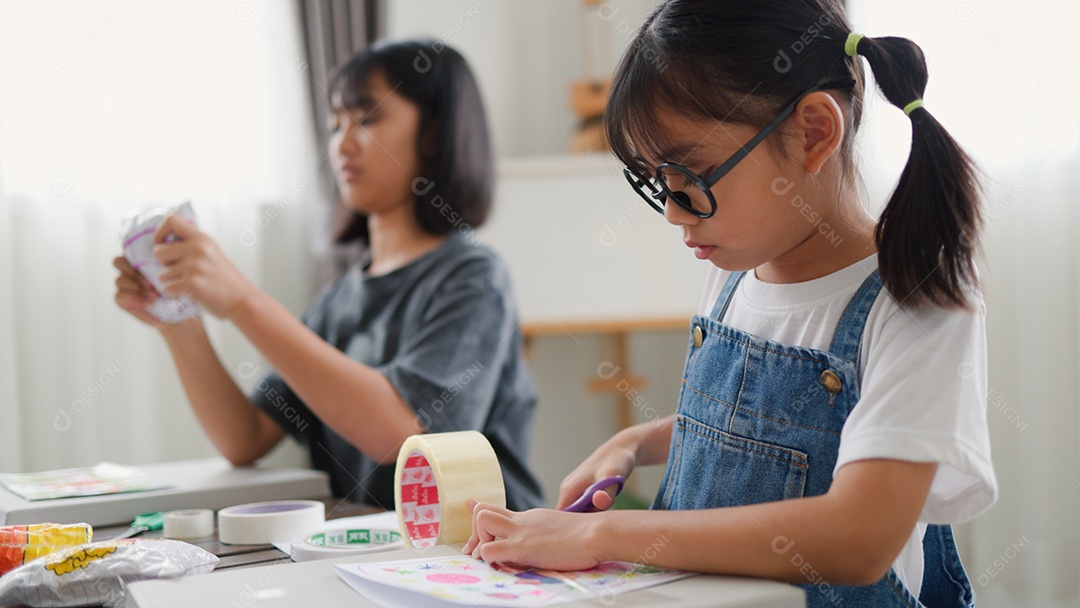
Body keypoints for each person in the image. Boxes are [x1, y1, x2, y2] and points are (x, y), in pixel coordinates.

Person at [465, 1, 997, 605]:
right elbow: (754, 427)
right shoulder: (736, 268)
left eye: (692, 175)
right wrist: (635, 442)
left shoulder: (916, 295)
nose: (673, 211)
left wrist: (599, 532)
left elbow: (860, 538)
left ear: (815, 132)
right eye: (657, 180)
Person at [113, 40, 544, 512]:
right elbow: (245, 438)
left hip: (481, 559)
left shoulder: (474, 279)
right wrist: (178, 319)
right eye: (336, 125)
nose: (342, 142)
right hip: (374, 554)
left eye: (367, 119)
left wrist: (242, 301)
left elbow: (400, 436)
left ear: (435, 134)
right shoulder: (339, 297)